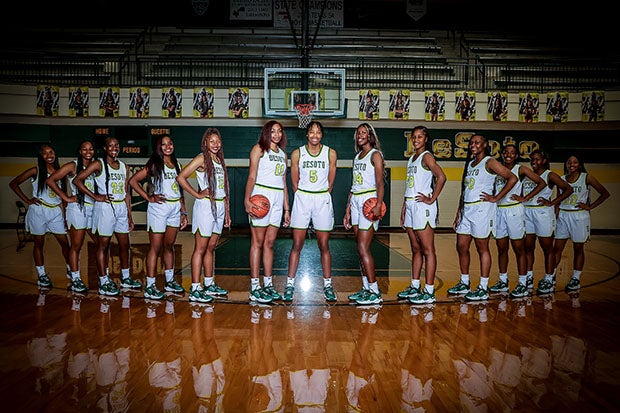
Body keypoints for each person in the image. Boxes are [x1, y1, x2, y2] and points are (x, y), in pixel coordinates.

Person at [448, 134, 518, 301]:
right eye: (471, 142)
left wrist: (496, 197)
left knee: (482, 247)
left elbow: (512, 178)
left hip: (482, 210)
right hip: (467, 210)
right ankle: (464, 282)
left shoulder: (489, 161)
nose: (473, 145)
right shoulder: (470, 164)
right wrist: (459, 211)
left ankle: (483, 287)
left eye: (477, 142)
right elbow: (465, 190)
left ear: (485, 144)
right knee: (461, 245)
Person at [74, 137, 143, 296]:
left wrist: (129, 215)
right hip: (105, 208)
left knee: (125, 244)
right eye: (110, 146)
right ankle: (103, 280)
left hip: (120, 208)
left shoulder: (124, 166)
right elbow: (78, 180)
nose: (114, 148)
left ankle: (125, 278)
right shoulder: (98, 164)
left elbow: (126, 192)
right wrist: (95, 196)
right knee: (103, 246)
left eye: (116, 145)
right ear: (105, 148)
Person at [128, 134, 188, 300]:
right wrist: (148, 197)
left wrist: (183, 212)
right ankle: (151, 285)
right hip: (159, 208)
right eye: (164, 144)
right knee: (155, 247)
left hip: (175, 208)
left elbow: (180, 190)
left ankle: (169, 281)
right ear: (159, 147)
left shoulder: (176, 165)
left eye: (170, 143)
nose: (168, 146)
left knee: (169, 246)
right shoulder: (154, 164)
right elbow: (133, 181)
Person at [284, 121, 338, 302]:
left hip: (322, 198)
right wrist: (303, 196)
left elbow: (331, 182)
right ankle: (290, 284)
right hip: (303, 199)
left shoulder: (330, 153)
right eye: (312, 131)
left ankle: (328, 285)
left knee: (324, 245)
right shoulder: (297, 153)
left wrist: (322, 195)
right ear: (307, 134)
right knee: (297, 245)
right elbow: (294, 183)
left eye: (318, 132)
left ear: (322, 135)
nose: (315, 134)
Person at [177, 128, 231, 303]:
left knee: (210, 247)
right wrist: (198, 194)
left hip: (220, 206)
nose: (215, 144)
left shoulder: (219, 160)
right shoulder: (201, 158)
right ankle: (195, 288)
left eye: (218, 141)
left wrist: (227, 212)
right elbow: (181, 177)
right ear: (205, 143)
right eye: (212, 141)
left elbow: (224, 188)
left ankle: (209, 284)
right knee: (200, 248)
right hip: (205, 207)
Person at [487, 144, 546, 299]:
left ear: (516, 155)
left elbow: (542, 183)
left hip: (514, 210)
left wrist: (525, 198)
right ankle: (503, 280)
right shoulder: (497, 168)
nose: (508, 154)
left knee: (519, 248)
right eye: (506, 152)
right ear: (502, 154)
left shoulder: (521, 169)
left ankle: (522, 283)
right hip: (499, 210)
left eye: (512, 153)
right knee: (501, 248)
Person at [9, 143, 71, 289]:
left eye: (51, 152)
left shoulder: (61, 172)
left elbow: (64, 196)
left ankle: (71, 271)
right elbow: (14, 183)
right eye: (45, 153)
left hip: (55, 211)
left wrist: (66, 215)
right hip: (39, 211)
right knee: (39, 244)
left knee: (65, 244)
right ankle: (42, 275)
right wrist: (28, 200)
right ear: (40, 156)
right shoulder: (35, 171)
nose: (49, 155)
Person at [398, 126, 446, 305]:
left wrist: (432, 198)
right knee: (415, 249)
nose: (416, 139)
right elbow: (409, 185)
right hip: (410, 205)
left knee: (428, 249)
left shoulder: (427, 156)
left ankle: (429, 291)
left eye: (419, 137)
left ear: (426, 139)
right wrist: (404, 208)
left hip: (422, 206)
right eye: (414, 137)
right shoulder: (412, 158)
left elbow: (441, 177)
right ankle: (415, 285)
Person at [244, 120, 290, 304]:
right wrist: (247, 199)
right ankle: (255, 287)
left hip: (278, 199)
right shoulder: (259, 149)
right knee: (257, 242)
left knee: (270, 243)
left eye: (279, 131)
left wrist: (287, 208)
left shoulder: (283, 154)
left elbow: (284, 183)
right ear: (266, 133)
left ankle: (268, 285)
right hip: (261, 196)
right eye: (273, 131)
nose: (277, 134)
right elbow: (252, 176)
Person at [45, 139, 98, 293]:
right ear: (80, 151)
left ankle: (103, 277)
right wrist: (66, 198)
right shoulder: (73, 166)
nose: (88, 151)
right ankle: (75, 278)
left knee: (101, 243)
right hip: (77, 209)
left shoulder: (96, 166)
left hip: (93, 209)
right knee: (76, 245)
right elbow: (50, 180)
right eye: (84, 149)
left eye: (91, 149)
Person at [343, 122, 386, 305]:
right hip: (356, 201)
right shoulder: (357, 157)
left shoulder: (375, 155)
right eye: (358, 133)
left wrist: (377, 204)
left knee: (363, 248)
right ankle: (366, 288)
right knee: (359, 250)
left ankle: (375, 291)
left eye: (364, 133)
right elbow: (353, 186)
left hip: (369, 201)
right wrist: (347, 210)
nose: (360, 135)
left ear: (370, 136)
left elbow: (380, 183)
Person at [553, 155, 609, 292]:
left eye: (575, 162)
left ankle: (576, 278)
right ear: (566, 164)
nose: (572, 164)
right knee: (556, 248)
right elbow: (558, 198)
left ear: (579, 164)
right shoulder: (562, 178)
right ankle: (551, 276)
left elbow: (604, 193)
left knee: (578, 249)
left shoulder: (586, 177)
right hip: (563, 215)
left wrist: (590, 206)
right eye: (569, 162)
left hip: (579, 217)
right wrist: (555, 214)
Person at [521, 149, 573, 296]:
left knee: (547, 248)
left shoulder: (549, 175)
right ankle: (529, 277)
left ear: (544, 160)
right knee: (528, 247)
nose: (534, 162)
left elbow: (568, 189)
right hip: (527, 212)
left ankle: (549, 278)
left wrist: (553, 202)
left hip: (543, 214)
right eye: (532, 160)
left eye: (537, 159)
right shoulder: (528, 175)